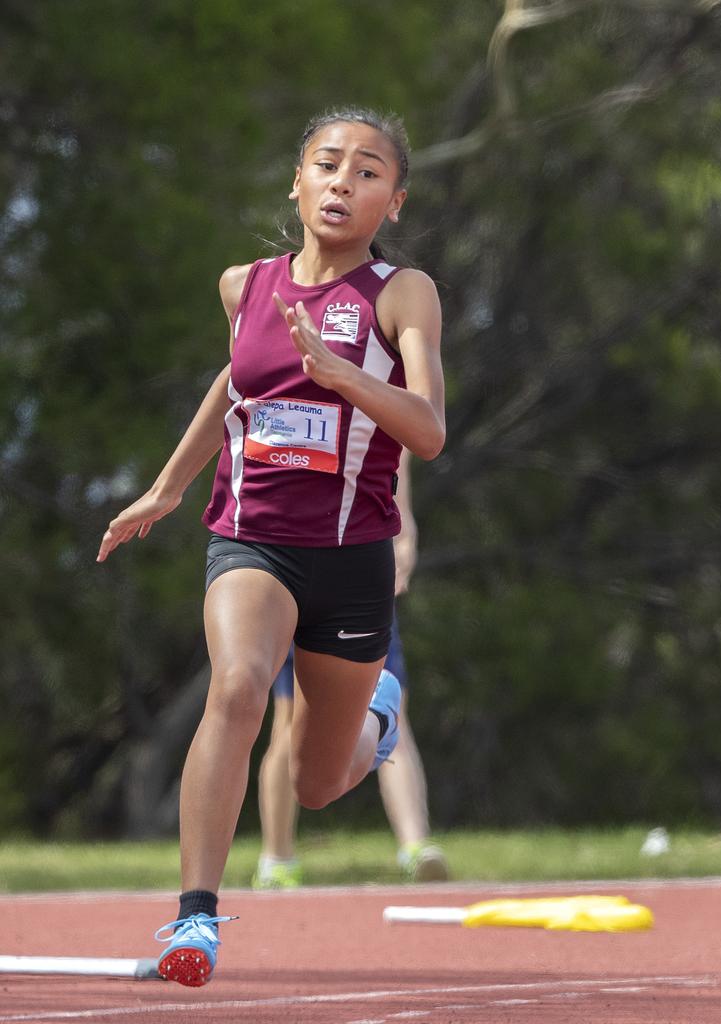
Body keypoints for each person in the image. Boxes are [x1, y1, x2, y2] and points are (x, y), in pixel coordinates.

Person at [97, 106, 445, 988]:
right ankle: (196, 920)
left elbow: (430, 431)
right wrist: (170, 485)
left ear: (392, 201)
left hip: (354, 553)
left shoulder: (402, 294)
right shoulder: (243, 284)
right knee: (240, 687)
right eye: (327, 164)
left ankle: (379, 711)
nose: (343, 181)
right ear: (296, 183)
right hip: (252, 540)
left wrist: (346, 376)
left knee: (321, 782)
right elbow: (236, 381)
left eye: (368, 172)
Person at [256, 450, 448, 888]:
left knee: (389, 712)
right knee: (288, 721)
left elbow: (398, 445)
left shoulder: (365, 384)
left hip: (357, 562)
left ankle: (416, 846)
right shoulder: (273, 393)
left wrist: (404, 529)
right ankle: (277, 856)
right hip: (286, 562)